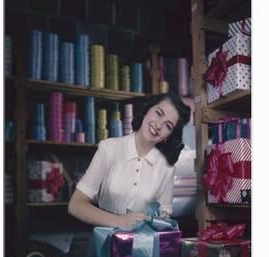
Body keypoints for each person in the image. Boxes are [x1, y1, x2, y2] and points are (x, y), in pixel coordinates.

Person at [68, 93, 191, 229]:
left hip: (144, 247)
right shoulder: (109, 149)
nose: (158, 125)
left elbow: (163, 218)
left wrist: (159, 221)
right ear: (147, 109)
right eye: (158, 113)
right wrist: (120, 221)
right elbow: (75, 205)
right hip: (106, 243)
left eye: (168, 125)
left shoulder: (166, 168)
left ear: (169, 135)